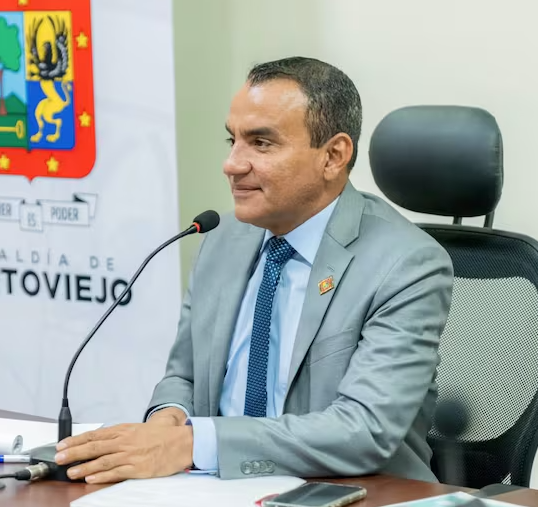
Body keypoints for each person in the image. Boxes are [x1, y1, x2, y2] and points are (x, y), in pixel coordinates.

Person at [53, 56, 454, 484]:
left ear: (333, 156)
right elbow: (184, 375)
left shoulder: (406, 265)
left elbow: (363, 430)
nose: (232, 164)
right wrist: (168, 420)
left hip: (351, 492)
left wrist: (192, 444)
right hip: (216, 486)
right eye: (233, 140)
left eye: (261, 143)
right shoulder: (221, 237)